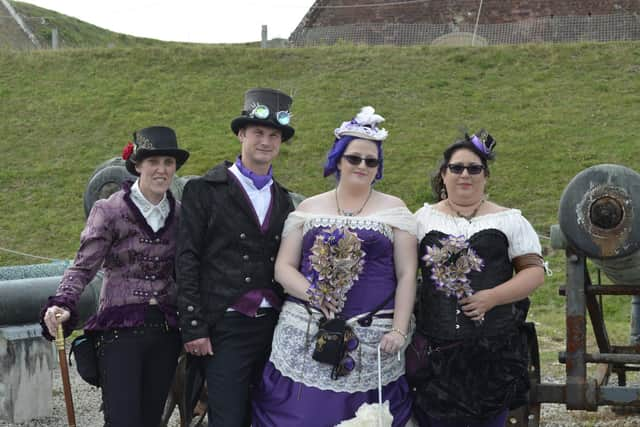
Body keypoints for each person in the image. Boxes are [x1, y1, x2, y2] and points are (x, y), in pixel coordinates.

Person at [252, 106, 417, 427]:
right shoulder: (310, 207)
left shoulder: (395, 209)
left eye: (371, 161)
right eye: (354, 158)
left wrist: (399, 329)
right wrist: (313, 294)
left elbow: (407, 273)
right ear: (338, 160)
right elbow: (283, 267)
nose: (362, 166)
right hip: (309, 329)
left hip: (372, 337)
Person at [40, 126, 189, 427]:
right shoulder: (108, 210)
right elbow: (83, 266)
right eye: (153, 162)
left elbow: (187, 273)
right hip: (119, 330)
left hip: (165, 331)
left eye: (168, 163)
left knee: (151, 420)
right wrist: (63, 302)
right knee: (122, 419)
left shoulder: (182, 215)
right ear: (137, 165)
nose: (161, 170)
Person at [176, 87, 296, 427]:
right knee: (228, 418)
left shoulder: (284, 199)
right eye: (258, 132)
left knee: (267, 416)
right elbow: (186, 259)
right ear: (242, 133)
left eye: (274, 135)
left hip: (273, 326)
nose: (266, 141)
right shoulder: (203, 190)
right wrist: (193, 327)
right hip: (226, 323)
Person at [411, 130, 545, 427]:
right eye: (456, 168)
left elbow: (534, 273)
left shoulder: (509, 220)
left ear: (486, 176)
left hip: (493, 351)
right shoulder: (421, 220)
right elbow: (405, 274)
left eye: (474, 168)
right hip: (437, 352)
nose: (465, 175)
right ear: (444, 175)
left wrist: (492, 297)